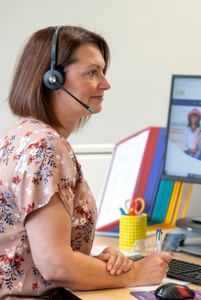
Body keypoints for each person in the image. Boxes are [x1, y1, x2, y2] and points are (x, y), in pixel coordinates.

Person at [0, 25, 171, 299]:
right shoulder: (46, 147)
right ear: (52, 80)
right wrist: (138, 273)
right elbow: (55, 265)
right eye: (92, 73)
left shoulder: (19, 134)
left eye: (103, 72)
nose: (105, 83)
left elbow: (33, 246)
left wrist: (96, 261)